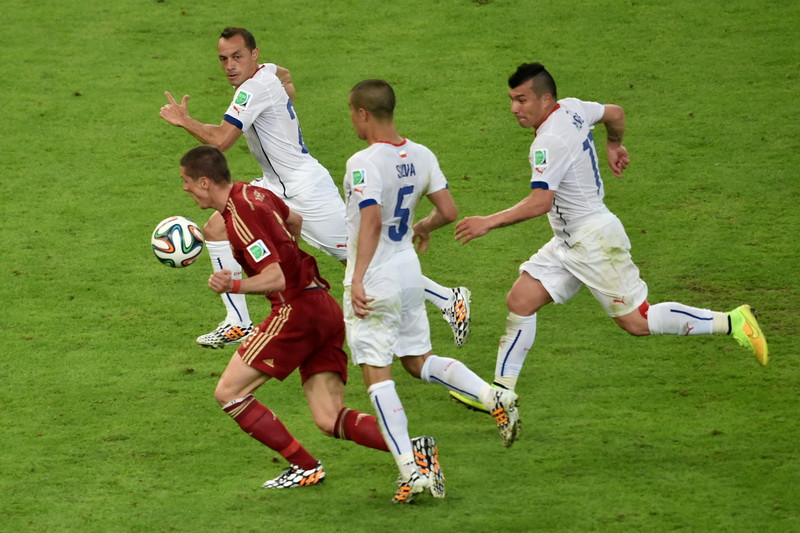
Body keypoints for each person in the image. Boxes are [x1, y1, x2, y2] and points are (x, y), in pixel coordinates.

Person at [449, 62, 768, 411]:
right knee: (520, 299)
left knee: (639, 321)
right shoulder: (571, 107)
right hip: (570, 241)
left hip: (594, 241)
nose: (514, 109)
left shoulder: (548, 142)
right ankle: (501, 394)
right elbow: (615, 113)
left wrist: (487, 222)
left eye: (522, 100)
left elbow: (541, 202)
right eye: (511, 100)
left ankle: (733, 321)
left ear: (544, 99)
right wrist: (615, 143)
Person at [160, 27, 471, 350]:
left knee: (359, 262)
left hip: (307, 190)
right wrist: (286, 96)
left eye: (237, 57)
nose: (229, 66)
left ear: (254, 54)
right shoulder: (266, 72)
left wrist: (185, 121)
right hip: (275, 184)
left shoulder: (251, 90)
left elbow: (222, 140)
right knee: (216, 227)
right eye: (223, 59)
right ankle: (238, 321)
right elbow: (286, 75)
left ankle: (449, 298)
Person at [177, 144, 444, 490]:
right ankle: (415, 453)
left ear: (203, 182)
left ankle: (304, 466)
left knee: (229, 392)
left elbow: (275, 278)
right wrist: (292, 255)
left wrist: (234, 284)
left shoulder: (240, 215)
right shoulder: (254, 192)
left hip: (295, 312)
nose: (183, 188)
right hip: (324, 306)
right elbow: (295, 220)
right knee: (329, 416)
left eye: (185, 181)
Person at [343, 79, 521, 504]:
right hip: (408, 271)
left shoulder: (362, 162)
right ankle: (490, 394)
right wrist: (422, 226)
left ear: (363, 114)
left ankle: (411, 470)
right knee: (416, 360)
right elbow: (449, 211)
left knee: (375, 373)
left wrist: (357, 279)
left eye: (351, 112)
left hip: (379, 275)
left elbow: (370, 223)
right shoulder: (421, 154)